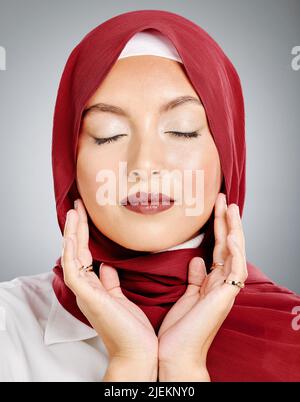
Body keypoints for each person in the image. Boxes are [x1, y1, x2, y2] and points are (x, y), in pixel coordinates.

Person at [0, 10, 299, 382]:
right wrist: (130, 365)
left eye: (183, 130)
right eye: (108, 133)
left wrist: (183, 367)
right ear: (69, 163)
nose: (144, 164)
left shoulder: (292, 333)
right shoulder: (8, 325)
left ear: (228, 155)